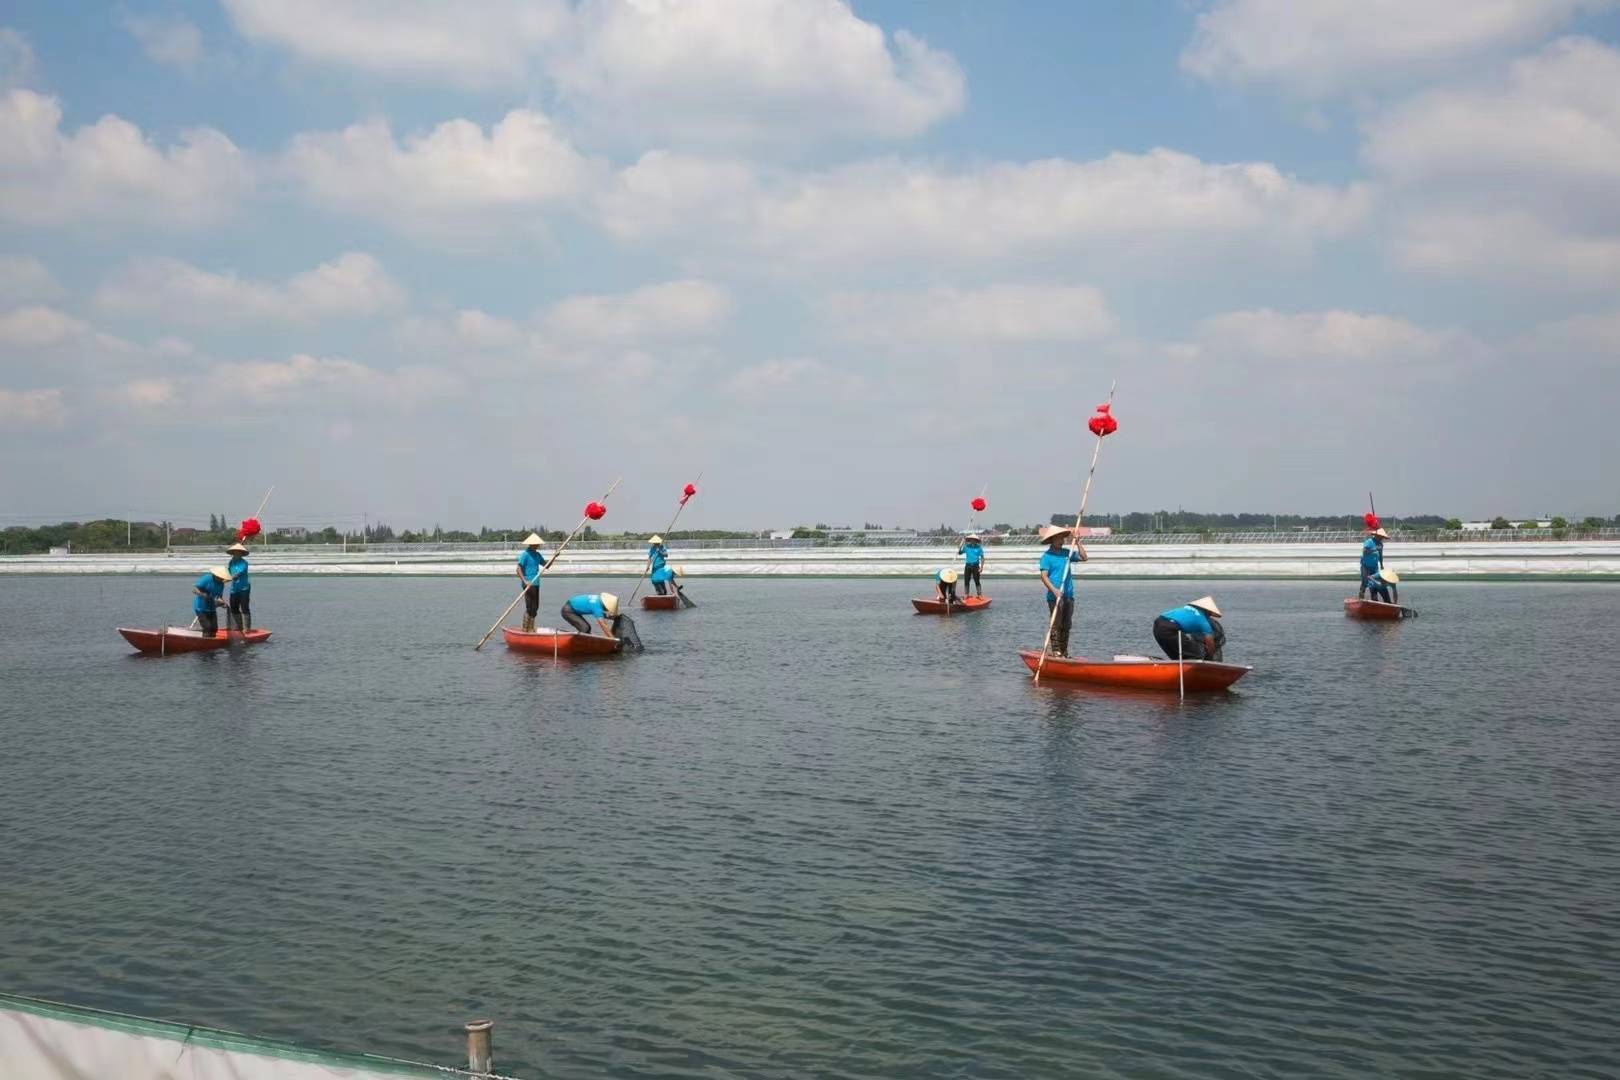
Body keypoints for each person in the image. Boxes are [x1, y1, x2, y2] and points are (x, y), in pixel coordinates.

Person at [1037, 525, 1087, 657]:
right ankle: (1056, 651)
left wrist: (1077, 542)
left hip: (1068, 595)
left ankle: (1064, 652)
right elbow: (1044, 577)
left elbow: (1084, 557)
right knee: (1056, 624)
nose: (1062, 541)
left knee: (1067, 625)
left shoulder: (1067, 553)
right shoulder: (1046, 557)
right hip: (1055, 596)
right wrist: (1054, 590)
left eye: (1063, 538)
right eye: (1059, 538)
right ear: (1052, 540)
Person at [1153, 596, 1225, 661]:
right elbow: (1209, 641)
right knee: (1196, 655)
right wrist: (1210, 657)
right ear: (1207, 611)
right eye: (1209, 614)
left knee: (1176, 654)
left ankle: (1179, 670)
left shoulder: (1187, 609)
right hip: (1170, 628)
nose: (1209, 616)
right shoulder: (1202, 620)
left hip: (1157, 625)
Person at [515, 533, 548, 632]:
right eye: (536, 544)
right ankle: (526, 628)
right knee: (530, 607)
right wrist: (524, 580)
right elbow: (518, 569)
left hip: (536, 583)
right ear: (532, 544)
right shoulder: (525, 554)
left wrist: (555, 557)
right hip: (528, 582)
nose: (538, 545)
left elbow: (547, 565)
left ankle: (531, 628)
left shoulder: (537, 555)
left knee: (536, 607)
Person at [192, 566, 230, 636]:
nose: (222, 579)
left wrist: (223, 603)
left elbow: (219, 597)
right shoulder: (207, 578)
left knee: (214, 628)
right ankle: (205, 643)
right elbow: (194, 589)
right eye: (221, 577)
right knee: (207, 627)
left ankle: (212, 643)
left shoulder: (221, 584)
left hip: (212, 609)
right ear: (216, 575)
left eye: (223, 578)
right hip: (200, 608)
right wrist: (203, 595)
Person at [225, 542, 252, 633]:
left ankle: (246, 628)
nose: (236, 554)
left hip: (244, 588)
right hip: (234, 589)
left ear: (241, 553)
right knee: (234, 607)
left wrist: (226, 580)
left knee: (244, 607)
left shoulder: (244, 563)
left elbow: (237, 574)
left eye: (238, 552)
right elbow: (228, 573)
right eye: (235, 552)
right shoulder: (231, 562)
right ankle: (238, 626)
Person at [1358, 527, 1387, 599]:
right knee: (1365, 582)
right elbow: (1364, 552)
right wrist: (1373, 550)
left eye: (1383, 537)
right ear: (1377, 535)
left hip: (1375, 566)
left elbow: (1380, 555)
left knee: (1374, 583)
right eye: (1381, 536)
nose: (1382, 538)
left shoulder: (1381, 544)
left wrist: (1382, 565)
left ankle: (1374, 598)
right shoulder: (1369, 541)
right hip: (1366, 565)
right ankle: (1361, 597)